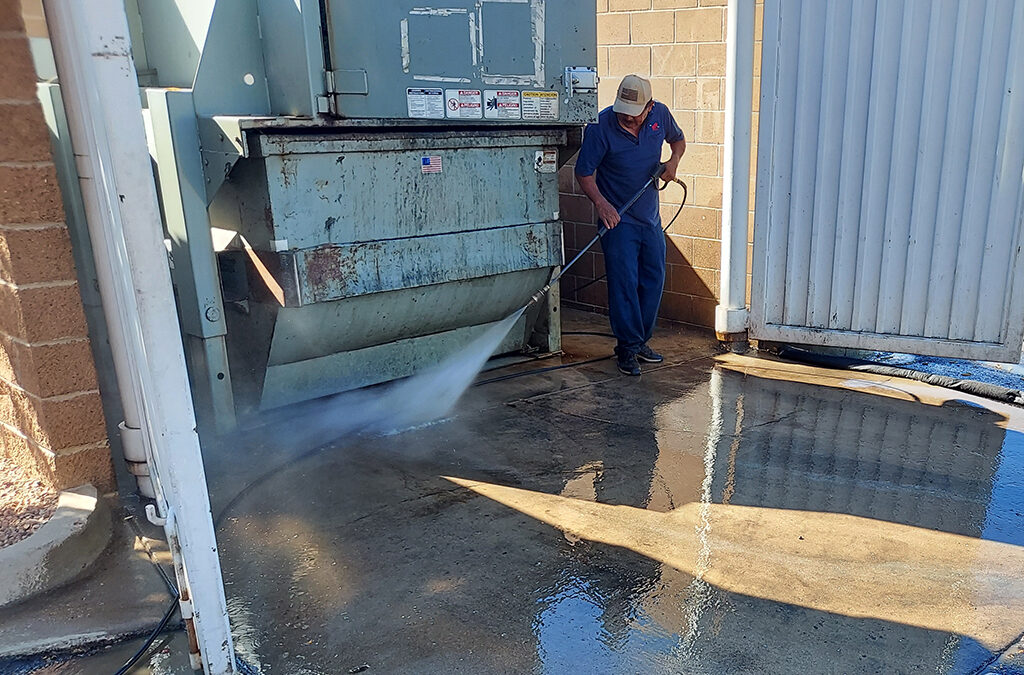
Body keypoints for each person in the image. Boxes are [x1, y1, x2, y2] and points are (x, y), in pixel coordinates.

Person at [575, 74, 686, 376]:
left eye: (633, 114)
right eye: (622, 111)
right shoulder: (600, 127)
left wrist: (672, 162)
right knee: (624, 284)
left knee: (653, 279)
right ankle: (626, 347)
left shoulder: (660, 115)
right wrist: (601, 204)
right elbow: (583, 173)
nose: (626, 117)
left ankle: (640, 342)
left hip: (649, 219)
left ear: (649, 107)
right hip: (618, 221)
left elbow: (678, 140)